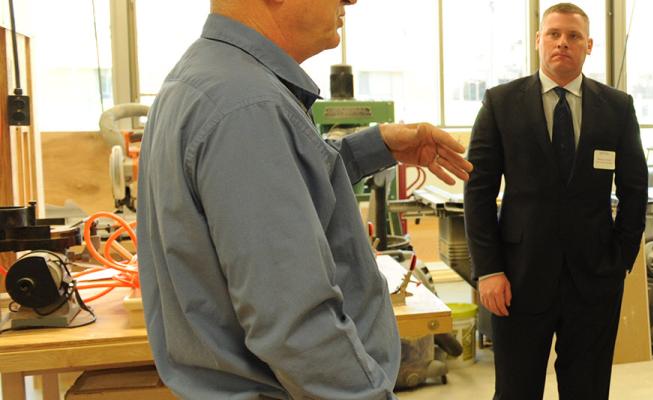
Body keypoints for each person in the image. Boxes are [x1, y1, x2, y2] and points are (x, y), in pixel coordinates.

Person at [136, 0, 472, 398]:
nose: (351, 0)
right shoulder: (248, 107)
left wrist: (372, 146)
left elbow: (292, 181)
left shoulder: (206, 77)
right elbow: (296, 327)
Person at [463, 3, 647, 399]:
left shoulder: (616, 107)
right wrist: (489, 269)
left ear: (589, 45)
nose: (563, 43)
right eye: (554, 34)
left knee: (588, 388)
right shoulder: (501, 103)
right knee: (516, 389)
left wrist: (621, 260)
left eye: (574, 36)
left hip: (595, 277)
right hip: (518, 277)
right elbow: (477, 192)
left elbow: (635, 189)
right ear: (538, 41)